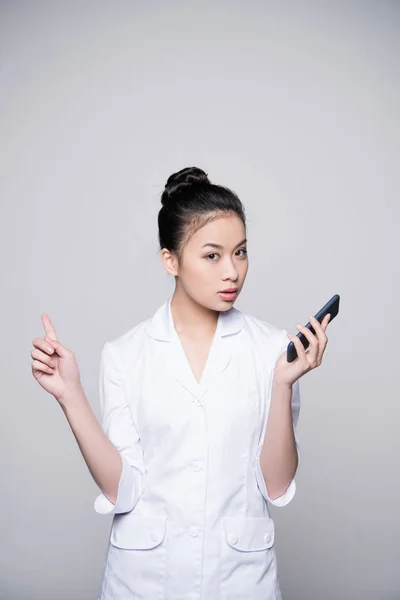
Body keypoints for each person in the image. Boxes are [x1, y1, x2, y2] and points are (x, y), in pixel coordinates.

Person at [31, 166, 330, 600]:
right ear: (170, 259)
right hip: (143, 580)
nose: (233, 272)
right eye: (213, 255)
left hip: (240, 580)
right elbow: (122, 489)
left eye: (241, 252)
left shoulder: (273, 350)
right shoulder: (124, 354)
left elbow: (277, 486)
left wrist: (282, 385)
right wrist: (70, 396)